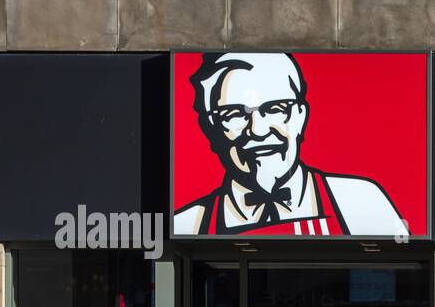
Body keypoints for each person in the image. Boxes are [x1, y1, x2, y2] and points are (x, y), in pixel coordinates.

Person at [174, 52, 408, 237]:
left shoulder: (360, 201)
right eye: (234, 114)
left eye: (275, 109)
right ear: (211, 128)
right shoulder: (188, 224)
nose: (258, 130)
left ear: (300, 116)